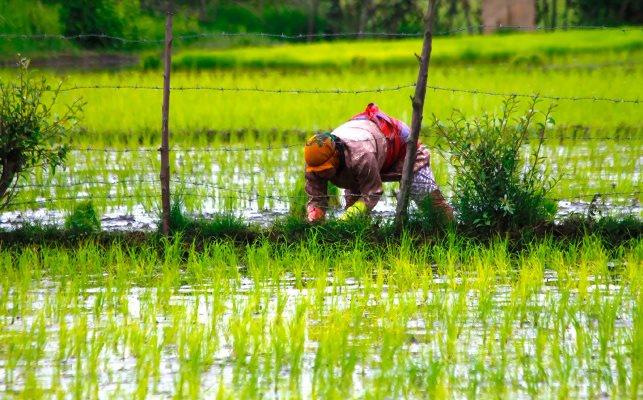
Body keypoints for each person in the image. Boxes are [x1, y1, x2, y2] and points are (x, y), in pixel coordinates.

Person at [304, 103, 454, 222]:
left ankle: (453, 230)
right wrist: (315, 213)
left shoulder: (361, 155)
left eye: (324, 169)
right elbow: (316, 197)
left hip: (402, 147)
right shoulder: (314, 161)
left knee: (430, 203)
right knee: (353, 216)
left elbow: (372, 192)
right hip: (367, 152)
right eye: (317, 170)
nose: (320, 173)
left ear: (336, 155)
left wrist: (351, 214)